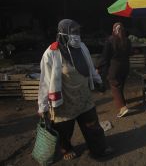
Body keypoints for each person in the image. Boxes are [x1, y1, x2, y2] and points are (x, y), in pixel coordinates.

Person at [37, 19, 113, 160]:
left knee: (93, 125)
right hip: (65, 102)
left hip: (84, 97)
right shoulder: (51, 53)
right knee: (65, 130)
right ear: (63, 33)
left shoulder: (82, 47)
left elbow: (90, 67)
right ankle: (66, 149)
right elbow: (45, 82)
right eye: (73, 32)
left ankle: (99, 148)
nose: (77, 35)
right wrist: (42, 106)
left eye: (78, 32)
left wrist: (99, 81)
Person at [96, 22, 131, 118]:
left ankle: (123, 108)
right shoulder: (127, 40)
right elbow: (130, 53)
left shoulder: (110, 40)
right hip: (126, 66)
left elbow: (105, 56)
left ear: (113, 30)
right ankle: (122, 101)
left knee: (115, 86)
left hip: (114, 68)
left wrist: (98, 67)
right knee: (121, 85)